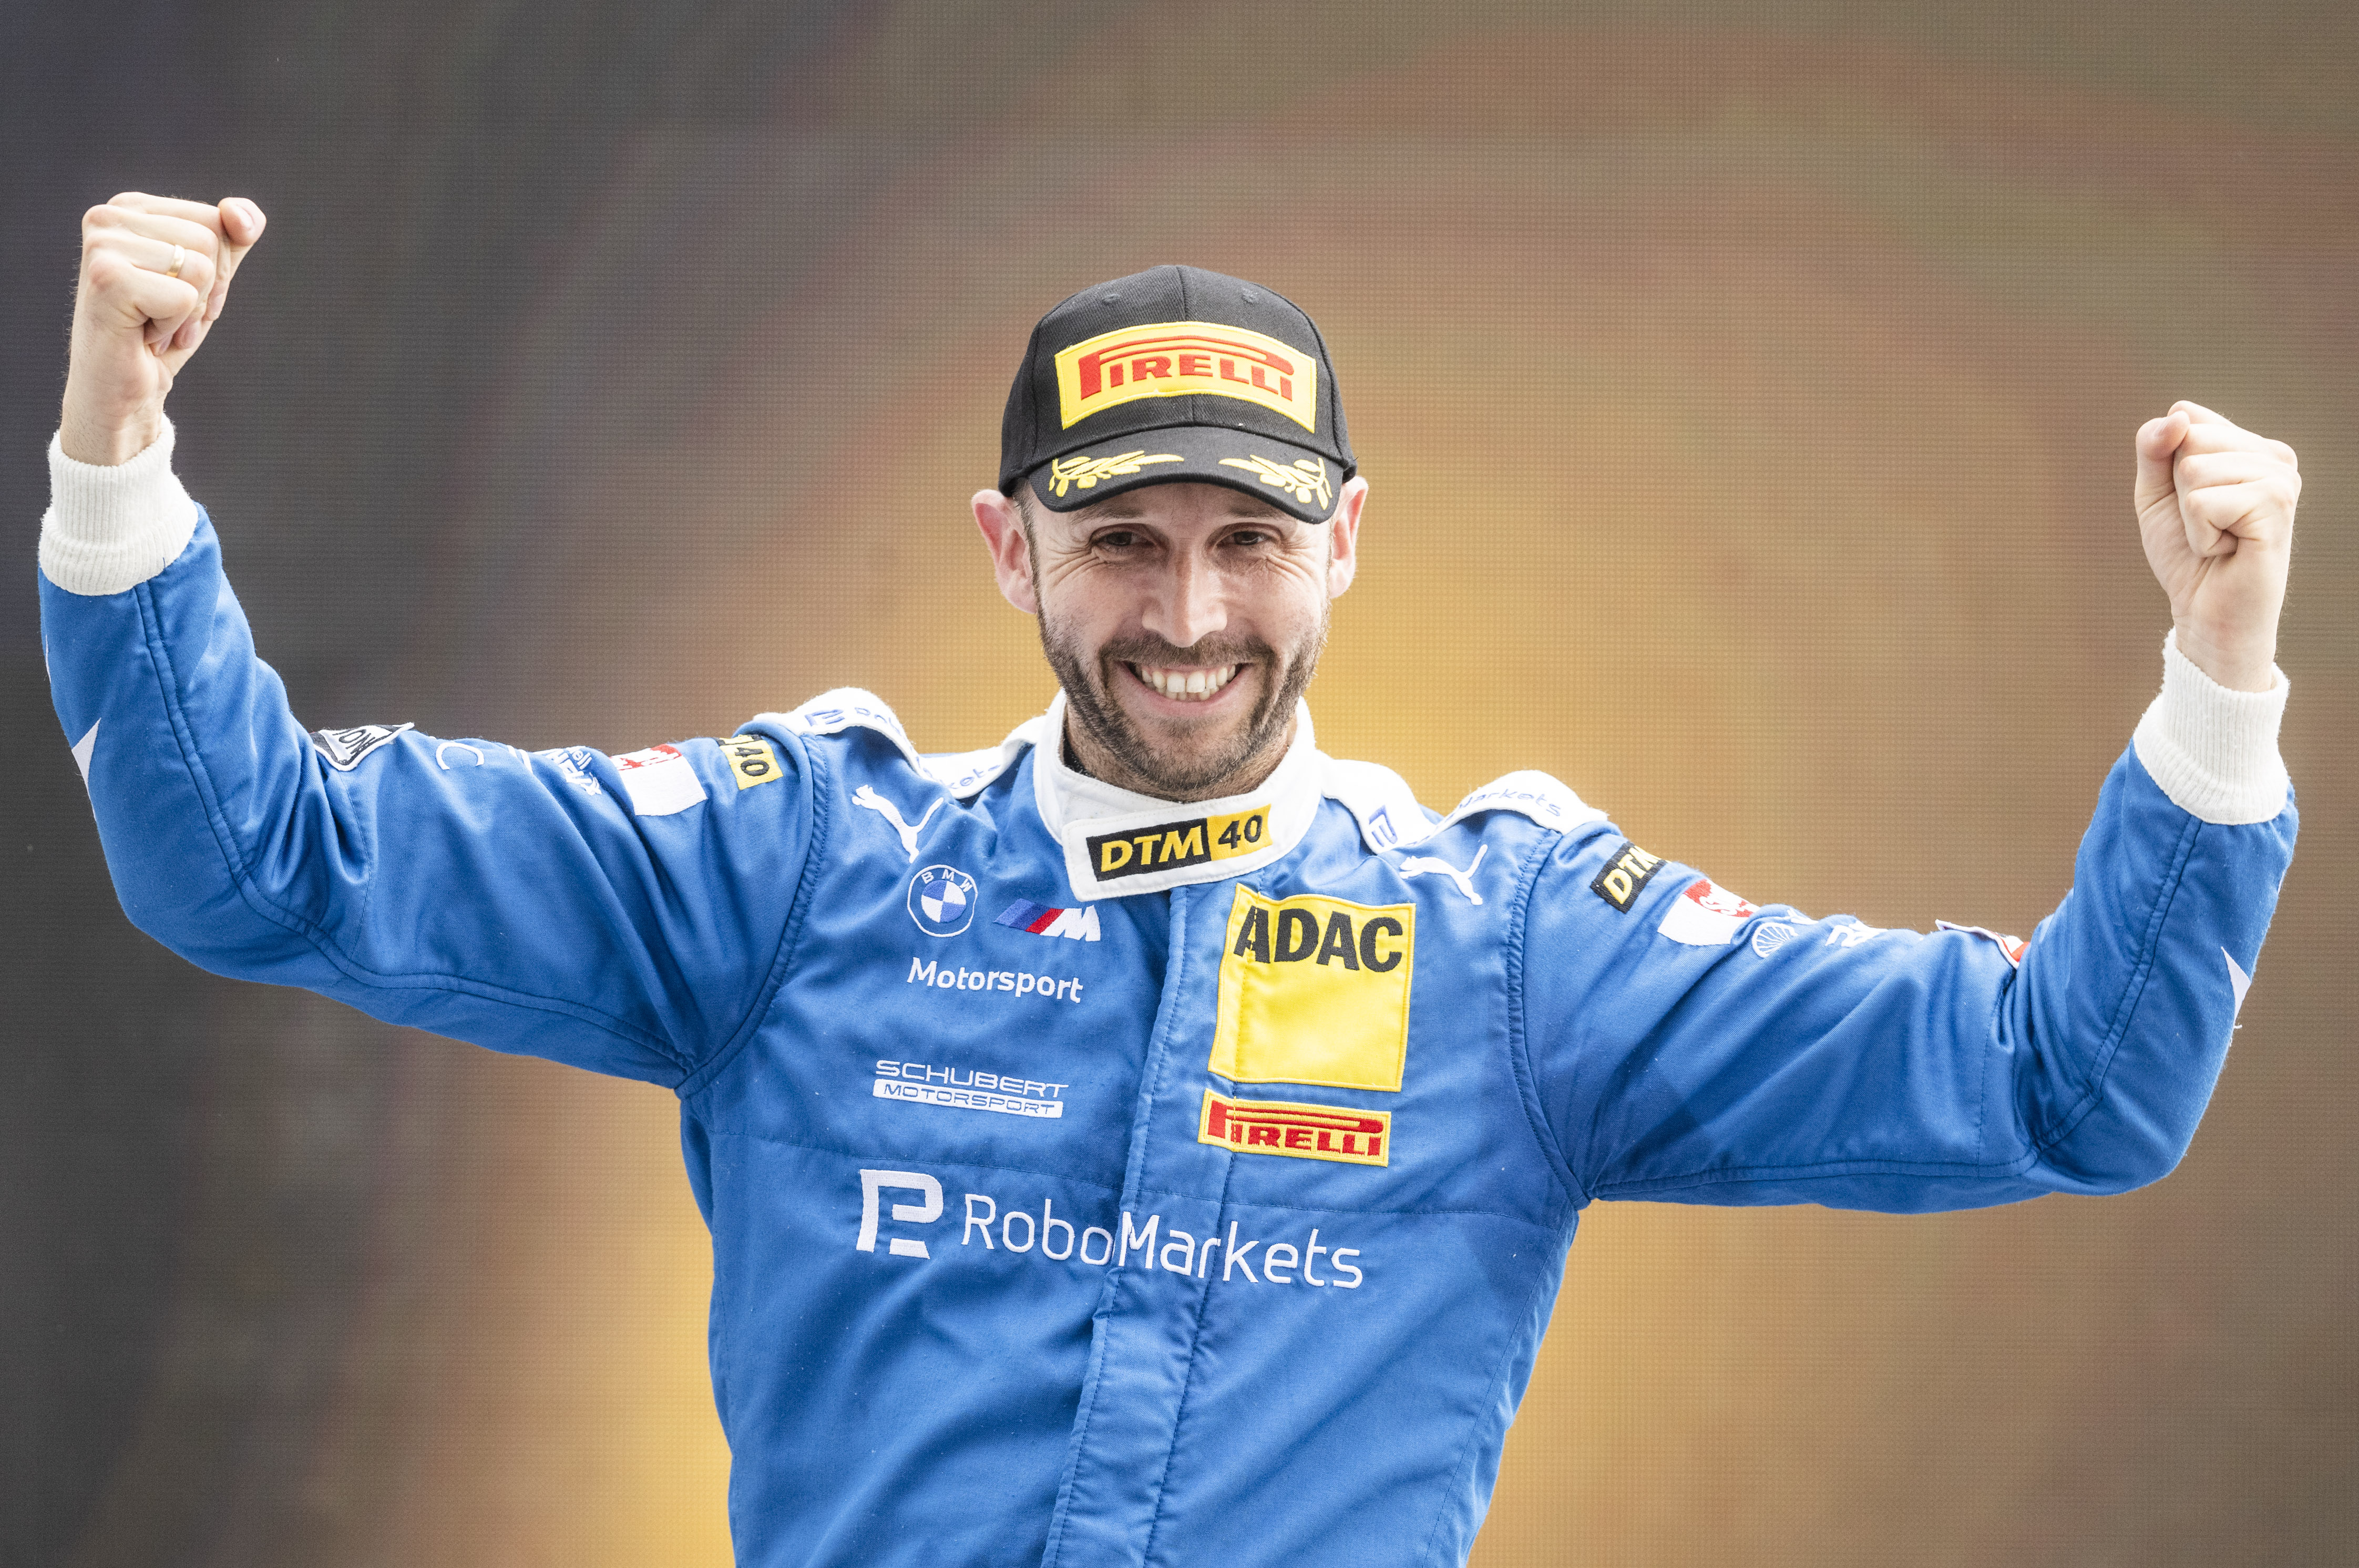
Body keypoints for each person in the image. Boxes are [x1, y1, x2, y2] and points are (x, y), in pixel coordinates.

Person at [42, 194, 2300, 1568]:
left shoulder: (1516, 948)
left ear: (1347, 544)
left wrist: (2219, 678)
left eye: (1249, 541)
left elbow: (2065, 1084)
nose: (1191, 614)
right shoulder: (795, 865)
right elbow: (263, 862)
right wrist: (115, 455)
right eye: (1122, 539)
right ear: (1006, 548)